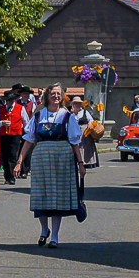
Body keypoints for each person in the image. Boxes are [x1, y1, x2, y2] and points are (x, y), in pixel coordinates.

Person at [16, 83, 85, 247]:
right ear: (47, 96)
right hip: (41, 160)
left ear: (62, 97)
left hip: (63, 160)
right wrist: (19, 162)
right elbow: (28, 140)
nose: (56, 96)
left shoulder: (67, 117)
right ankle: (44, 229)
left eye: (58, 94)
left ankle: (54, 236)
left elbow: (75, 142)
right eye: (53, 93)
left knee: (57, 198)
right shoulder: (39, 116)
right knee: (41, 195)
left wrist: (81, 163)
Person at [0, 87, 30, 184]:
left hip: (15, 135)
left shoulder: (20, 108)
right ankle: (7, 175)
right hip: (3, 135)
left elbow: (26, 121)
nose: (9, 102)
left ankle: (11, 177)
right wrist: (1, 123)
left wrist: (27, 134)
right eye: (8, 100)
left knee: (12, 156)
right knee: (4, 156)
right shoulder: (0, 109)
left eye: (11, 100)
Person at [69, 95, 100, 169]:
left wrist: (90, 124)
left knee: (85, 147)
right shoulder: (71, 115)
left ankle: (87, 162)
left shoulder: (85, 112)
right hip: (75, 133)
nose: (77, 105)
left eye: (78, 103)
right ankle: (78, 162)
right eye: (75, 103)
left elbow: (91, 120)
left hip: (85, 134)